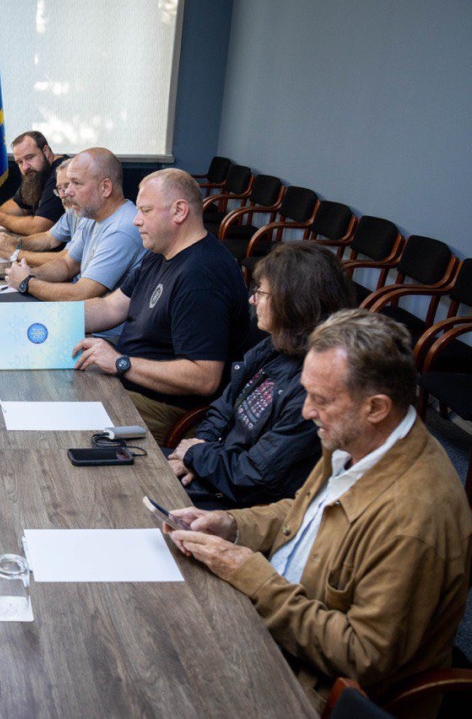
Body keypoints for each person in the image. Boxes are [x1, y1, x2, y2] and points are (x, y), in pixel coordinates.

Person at [165, 309, 472, 712]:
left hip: (308, 688)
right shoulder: (355, 437)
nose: (307, 411)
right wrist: (233, 524)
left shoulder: (413, 520)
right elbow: (305, 511)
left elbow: (361, 657)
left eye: (321, 399)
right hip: (275, 620)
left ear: (376, 407)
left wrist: (251, 577)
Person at [167, 242, 356, 509]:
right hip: (215, 471)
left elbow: (255, 477)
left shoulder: (313, 387)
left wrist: (198, 456)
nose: (252, 300)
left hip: (247, 505)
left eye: (261, 292)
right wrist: (197, 450)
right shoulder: (274, 343)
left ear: (293, 303)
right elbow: (223, 408)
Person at [74, 168, 251, 444]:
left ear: (179, 211)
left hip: (165, 408)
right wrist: (48, 318)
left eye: (145, 211)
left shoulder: (202, 276)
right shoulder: (159, 252)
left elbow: (204, 378)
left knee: (67, 426)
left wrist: (120, 362)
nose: (136, 220)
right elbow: (112, 307)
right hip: (131, 383)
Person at [2, 148, 144, 303]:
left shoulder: (121, 230)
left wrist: (27, 282)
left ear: (105, 188)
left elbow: (81, 294)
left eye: (76, 183)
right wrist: (29, 273)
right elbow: (67, 264)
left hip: (93, 316)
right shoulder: (92, 215)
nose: (67, 192)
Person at [0, 131, 67, 235]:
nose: (25, 167)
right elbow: (19, 205)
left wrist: (0, 219)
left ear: (45, 151)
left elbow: (39, 227)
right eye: (20, 162)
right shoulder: (37, 172)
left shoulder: (61, 173)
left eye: (30, 158)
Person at [0, 159, 75, 266]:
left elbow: (67, 261)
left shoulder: (87, 214)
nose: (62, 195)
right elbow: (49, 238)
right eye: (59, 189)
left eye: (67, 186)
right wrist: (16, 243)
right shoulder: (72, 212)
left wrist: (14, 253)